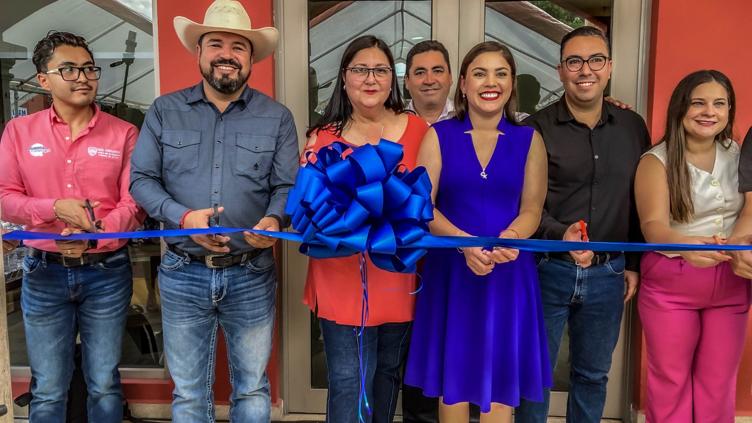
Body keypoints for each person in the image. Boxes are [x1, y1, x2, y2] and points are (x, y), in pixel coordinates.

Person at [128, 1, 299, 421]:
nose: (227, 54)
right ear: (199, 53)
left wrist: (274, 220)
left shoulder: (277, 118)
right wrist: (183, 217)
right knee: (188, 395)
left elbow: (287, 186)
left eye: (238, 47)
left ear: (251, 58)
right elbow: (141, 181)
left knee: (253, 389)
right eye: (216, 44)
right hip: (182, 271)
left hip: (251, 270)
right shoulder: (164, 111)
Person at [404, 40, 550, 423]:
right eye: (480, 73)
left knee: (500, 384)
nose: (491, 82)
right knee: (452, 381)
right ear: (464, 83)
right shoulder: (438, 135)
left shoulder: (529, 139)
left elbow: (532, 209)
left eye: (501, 73)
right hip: (452, 271)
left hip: (509, 269)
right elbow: (423, 205)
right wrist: (464, 244)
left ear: (512, 83)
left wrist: (511, 238)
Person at [0, 31, 143, 422]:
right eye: (68, 69)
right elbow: (6, 197)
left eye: (89, 68)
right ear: (43, 80)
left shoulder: (124, 133)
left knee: (104, 384)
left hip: (107, 272)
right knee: (48, 388)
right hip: (43, 271)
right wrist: (54, 208)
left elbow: (134, 205)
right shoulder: (18, 132)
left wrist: (95, 233)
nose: (82, 77)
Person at [515, 26, 651, 423]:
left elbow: (640, 201)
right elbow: (525, 205)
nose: (585, 70)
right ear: (560, 70)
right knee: (535, 375)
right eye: (574, 61)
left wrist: (633, 263)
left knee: (593, 375)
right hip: (547, 268)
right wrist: (560, 233)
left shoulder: (632, 127)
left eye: (595, 60)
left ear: (609, 68)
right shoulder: (535, 129)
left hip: (608, 273)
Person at [301, 35, 429, 423]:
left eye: (380, 70)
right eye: (360, 69)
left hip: (398, 275)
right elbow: (307, 209)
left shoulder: (421, 131)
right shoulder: (322, 137)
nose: (370, 78)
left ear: (393, 79)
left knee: (388, 375)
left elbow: (435, 201)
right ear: (344, 78)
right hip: (340, 276)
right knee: (348, 380)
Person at [634, 70, 750, 423]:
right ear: (680, 107)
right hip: (671, 281)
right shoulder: (656, 160)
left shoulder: (738, 154)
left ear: (729, 110)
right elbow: (652, 226)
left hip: (731, 282)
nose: (709, 112)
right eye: (698, 102)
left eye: (719, 104)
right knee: (671, 381)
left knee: (718, 382)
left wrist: (742, 245)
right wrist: (685, 244)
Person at [404, 40, 454, 124]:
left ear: (450, 77)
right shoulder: (393, 124)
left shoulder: (469, 118)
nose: (429, 81)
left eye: (437, 71)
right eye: (420, 73)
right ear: (407, 81)